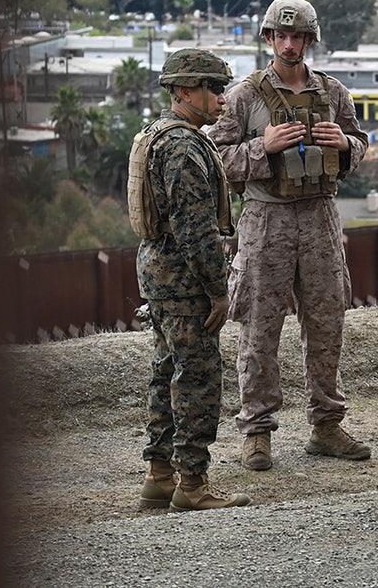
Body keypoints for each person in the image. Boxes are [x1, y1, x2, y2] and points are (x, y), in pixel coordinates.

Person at [209, 0, 372, 472]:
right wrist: (263, 146)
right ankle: (257, 430)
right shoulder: (244, 97)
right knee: (260, 328)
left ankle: (326, 425)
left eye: (297, 36)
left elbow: (359, 143)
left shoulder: (333, 92)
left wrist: (346, 146)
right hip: (266, 219)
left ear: (309, 40)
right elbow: (217, 160)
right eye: (281, 36)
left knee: (326, 323)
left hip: (320, 216)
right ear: (268, 39)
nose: (289, 44)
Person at [130, 48, 251, 511]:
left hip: (160, 275)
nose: (222, 98)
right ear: (185, 91)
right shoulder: (183, 146)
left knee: (166, 372)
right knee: (197, 379)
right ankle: (192, 484)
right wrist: (218, 291)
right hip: (184, 283)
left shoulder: (160, 135)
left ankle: (160, 475)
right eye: (214, 89)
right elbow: (195, 230)